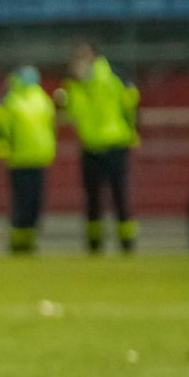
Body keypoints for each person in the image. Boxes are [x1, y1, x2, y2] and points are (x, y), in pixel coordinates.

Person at [58, 42, 141, 254]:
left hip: (115, 144)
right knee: (93, 198)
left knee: (119, 196)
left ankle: (127, 242)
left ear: (94, 57)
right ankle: (94, 244)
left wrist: (132, 131)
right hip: (90, 147)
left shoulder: (111, 77)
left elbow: (130, 103)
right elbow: (69, 115)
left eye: (83, 57)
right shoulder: (75, 85)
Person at [0, 66, 56, 254]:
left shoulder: (41, 97)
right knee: (22, 203)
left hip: (39, 157)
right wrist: (3, 148)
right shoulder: (10, 98)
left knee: (35, 203)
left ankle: (30, 242)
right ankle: (18, 244)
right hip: (18, 159)